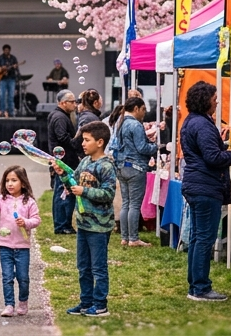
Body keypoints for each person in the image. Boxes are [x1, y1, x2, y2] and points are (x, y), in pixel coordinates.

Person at [179, 80, 231, 303]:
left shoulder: (192, 122)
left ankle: (195, 284)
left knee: (197, 237)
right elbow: (213, 158)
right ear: (205, 101)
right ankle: (200, 288)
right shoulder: (202, 125)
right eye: (214, 100)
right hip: (205, 186)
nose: (216, 103)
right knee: (204, 238)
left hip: (197, 184)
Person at [59, 120, 117, 317]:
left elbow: (108, 194)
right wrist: (63, 177)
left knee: (98, 268)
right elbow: (72, 183)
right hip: (83, 224)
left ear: (99, 142)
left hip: (99, 227)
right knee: (83, 267)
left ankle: (100, 305)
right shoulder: (84, 162)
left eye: (86, 140)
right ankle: (85, 303)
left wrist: (85, 191)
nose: (82, 144)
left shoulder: (106, 165)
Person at [0, 165, 41, 317]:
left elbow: (36, 220)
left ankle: (23, 301)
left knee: (23, 278)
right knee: (7, 277)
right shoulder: (1, 200)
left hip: (22, 247)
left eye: (14, 180)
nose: (9, 184)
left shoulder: (29, 202)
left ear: (23, 183)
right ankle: (9, 305)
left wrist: (26, 222)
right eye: (7, 180)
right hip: (5, 246)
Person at [111, 97, 158, 247]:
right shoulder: (135, 125)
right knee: (134, 205)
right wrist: (155, 146)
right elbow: (142, 148)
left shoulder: (120, 122)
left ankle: (125, 238)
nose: (144, 113)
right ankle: (134, 239)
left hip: (121, 166)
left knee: (126, 203)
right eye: (143, 109)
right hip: (135, 167)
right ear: (136, 108)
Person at [47, 91, 81, 234]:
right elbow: (62, 137)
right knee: (63, 192)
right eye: (72, 102)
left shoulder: (59, 115)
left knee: (63, 192)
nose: (75, 104)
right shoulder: (60, 117)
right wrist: (77, 140)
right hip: (64, 162)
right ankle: (62, 226)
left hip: (62, 160)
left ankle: (63, 224)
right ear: (62, 103)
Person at [0, 45, 21, 117]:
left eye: (7, 50)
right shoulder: (0, 58)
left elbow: (17, 68)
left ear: (10, 50)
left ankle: (11, 112)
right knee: (2, 96)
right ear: (3, 50)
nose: (6, 51)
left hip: (11, 78)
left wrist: (15, 69)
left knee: (11, 96)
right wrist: (0, 68)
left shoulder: (13, 58)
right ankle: (2, 111)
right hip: (3, 79)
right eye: (5, 50)